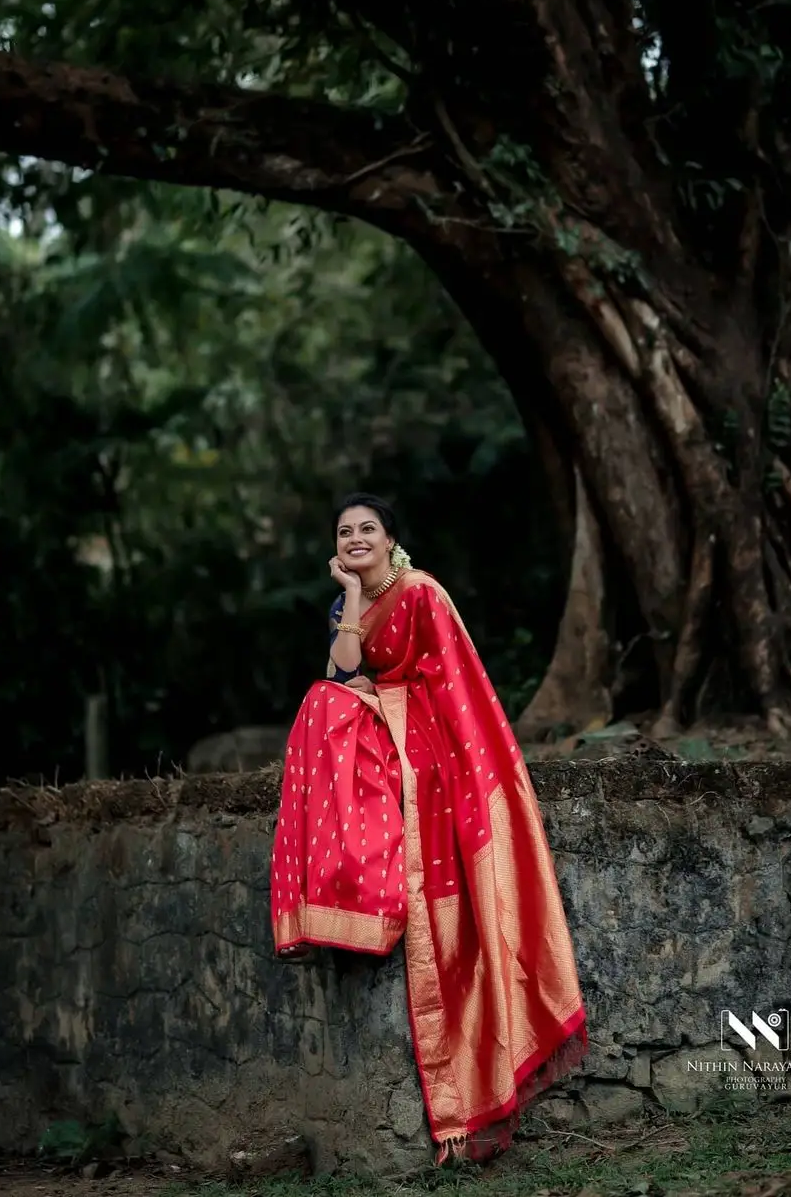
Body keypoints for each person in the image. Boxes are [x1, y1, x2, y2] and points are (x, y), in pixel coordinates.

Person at [270, 493, 587, 1163]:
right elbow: (343, 672)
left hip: (428, 743)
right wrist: (351, 595)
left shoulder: (421, 594)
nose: (356, 538)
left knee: (327, 708)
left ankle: (471, 1109)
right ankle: (341, 883)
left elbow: (450, 687)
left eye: (368, 530)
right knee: (321, 703)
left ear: (391, 539)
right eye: (344, 532)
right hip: (391, 729)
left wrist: (395, 717)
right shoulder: (356, 604)